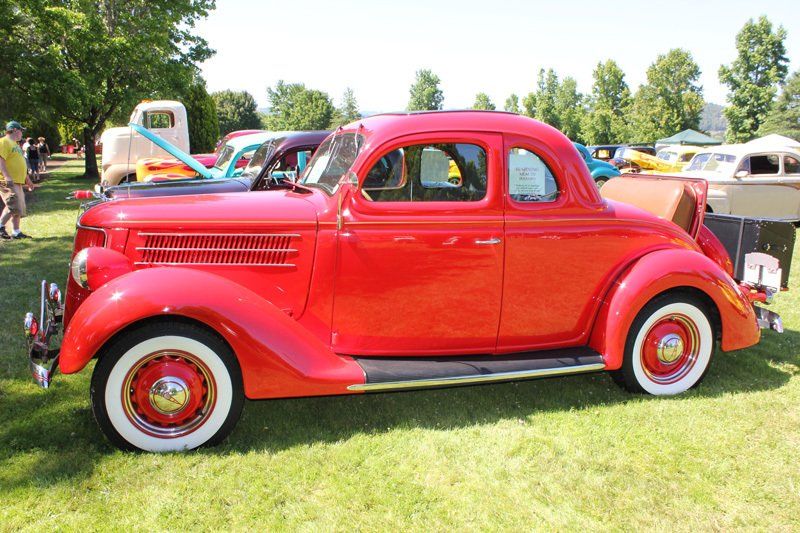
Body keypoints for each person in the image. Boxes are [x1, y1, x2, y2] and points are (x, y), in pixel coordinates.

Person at [0, 121, 33, 239]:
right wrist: (7, 176)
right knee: (13, 204)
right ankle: (1, 227)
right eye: (21, 130)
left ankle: (16, 231)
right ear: (14, 130)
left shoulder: (16, 145)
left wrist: (27, 179)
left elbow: (20, 163)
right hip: (7, 181)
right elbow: (1, 160)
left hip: (17, 181)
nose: (22, 133)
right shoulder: (3, 142)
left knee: (18, 207)